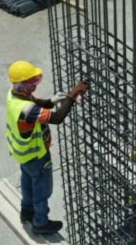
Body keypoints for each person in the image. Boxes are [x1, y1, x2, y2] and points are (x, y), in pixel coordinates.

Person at [5, 60, 88, 235]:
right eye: (32, 83)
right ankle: (40, 222)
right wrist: (73, 95)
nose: (35, 86)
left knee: (28, 182)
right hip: (36, 155)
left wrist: (50, 101)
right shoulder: (25, 108)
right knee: (42, 188)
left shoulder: (14, 96)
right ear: (22, 86)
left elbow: (35, 103)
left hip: (22, 156)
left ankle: (27, 212)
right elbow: (57, 118)